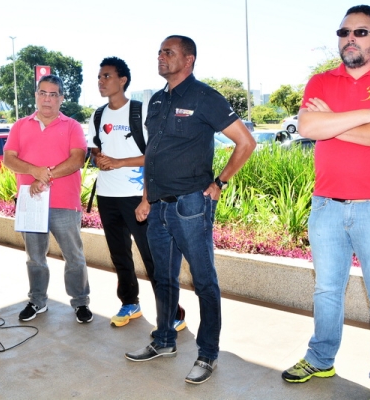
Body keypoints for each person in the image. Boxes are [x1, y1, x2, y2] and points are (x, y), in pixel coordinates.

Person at [280, 6, 370, 400]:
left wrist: (334, 125)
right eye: (344, 32)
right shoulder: (321, 81)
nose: (350, 39)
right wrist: (367, 115)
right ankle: (321, 359)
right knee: (326, 291)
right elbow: (308, 126)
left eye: (361, 32)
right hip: (326, 206)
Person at [125, 35, 256, 385]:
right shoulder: (156, 100)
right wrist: (146, 198)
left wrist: (220, 182)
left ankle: (207, 353)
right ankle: (164, 340)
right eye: (159, 52)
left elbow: (246, 142)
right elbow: (154, 154)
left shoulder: (205, 97)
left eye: (168, 52)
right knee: (164, 278)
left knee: (204, 281)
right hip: (158, 208)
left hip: (191, 206)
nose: (160, 56)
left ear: (189, 60)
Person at [87, 57, 186, 330]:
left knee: (153, 257)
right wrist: (99, 158)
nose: (101, 81)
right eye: (99, 77)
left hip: (138, 196)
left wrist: (119, 163)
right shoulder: (97, 115)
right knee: (119, 255)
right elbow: (95, 149)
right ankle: (130, 302)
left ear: (123, 80)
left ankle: (172, 312)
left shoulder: (141, 111)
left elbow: (156, 155)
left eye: (107, 76)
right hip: (107, 196)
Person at [4, 74, 93, 324]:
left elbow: (77, 159)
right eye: (43, 93)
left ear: (61, 98)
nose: (47, 99)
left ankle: (80, 302)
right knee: (35, 258)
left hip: (65, 202)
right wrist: (34, 171)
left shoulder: (72, 126)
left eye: (53, 94)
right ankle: (37, 300)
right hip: (31, 202)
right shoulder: (20, 126)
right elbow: (9, 159)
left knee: (74, 257)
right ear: (36, 96)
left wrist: (44, 177)